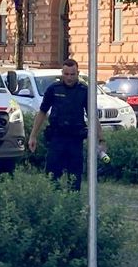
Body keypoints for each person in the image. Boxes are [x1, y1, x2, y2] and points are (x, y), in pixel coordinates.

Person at [28, 59, 105, 191]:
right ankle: (53, 201)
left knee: (74, 179)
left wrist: (101, 139)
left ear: (78, 73)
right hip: (57, 138)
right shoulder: (53, 89)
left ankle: (73, 202)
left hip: (75, 140)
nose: (69, 78)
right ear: (62, 73)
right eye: (66, 74)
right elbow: (42, 112)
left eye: (72, 74)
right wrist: (33, 136)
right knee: (52, 177)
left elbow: (93, 116)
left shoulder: (84, 91)